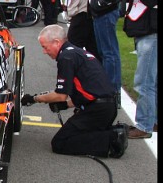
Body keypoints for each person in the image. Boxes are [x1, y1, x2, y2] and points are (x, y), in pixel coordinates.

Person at [22, 25, 127, 158]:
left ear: (56, 42)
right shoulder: (78, 53)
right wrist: (66, 105)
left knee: (60, 143)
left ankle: (112, 139)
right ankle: (109, 133)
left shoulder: (66, 57)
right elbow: (87, 92)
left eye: (44, 46)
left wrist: (34, 99)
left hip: (97, 111)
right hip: (106, 107)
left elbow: (60, 95)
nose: (44, 51)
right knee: (76, 134)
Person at [116, 0, 158, 139]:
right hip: (144, 32)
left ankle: (143, 125)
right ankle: (152, 120)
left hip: (152, 34)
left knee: (144, 83)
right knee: (152, 82)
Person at [87, 0, 122, 107]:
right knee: (103, 52)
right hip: (98, 13)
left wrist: (100, 4)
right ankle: (107, 87)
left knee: (109, 53)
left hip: (105, 13)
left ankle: (113, 91)